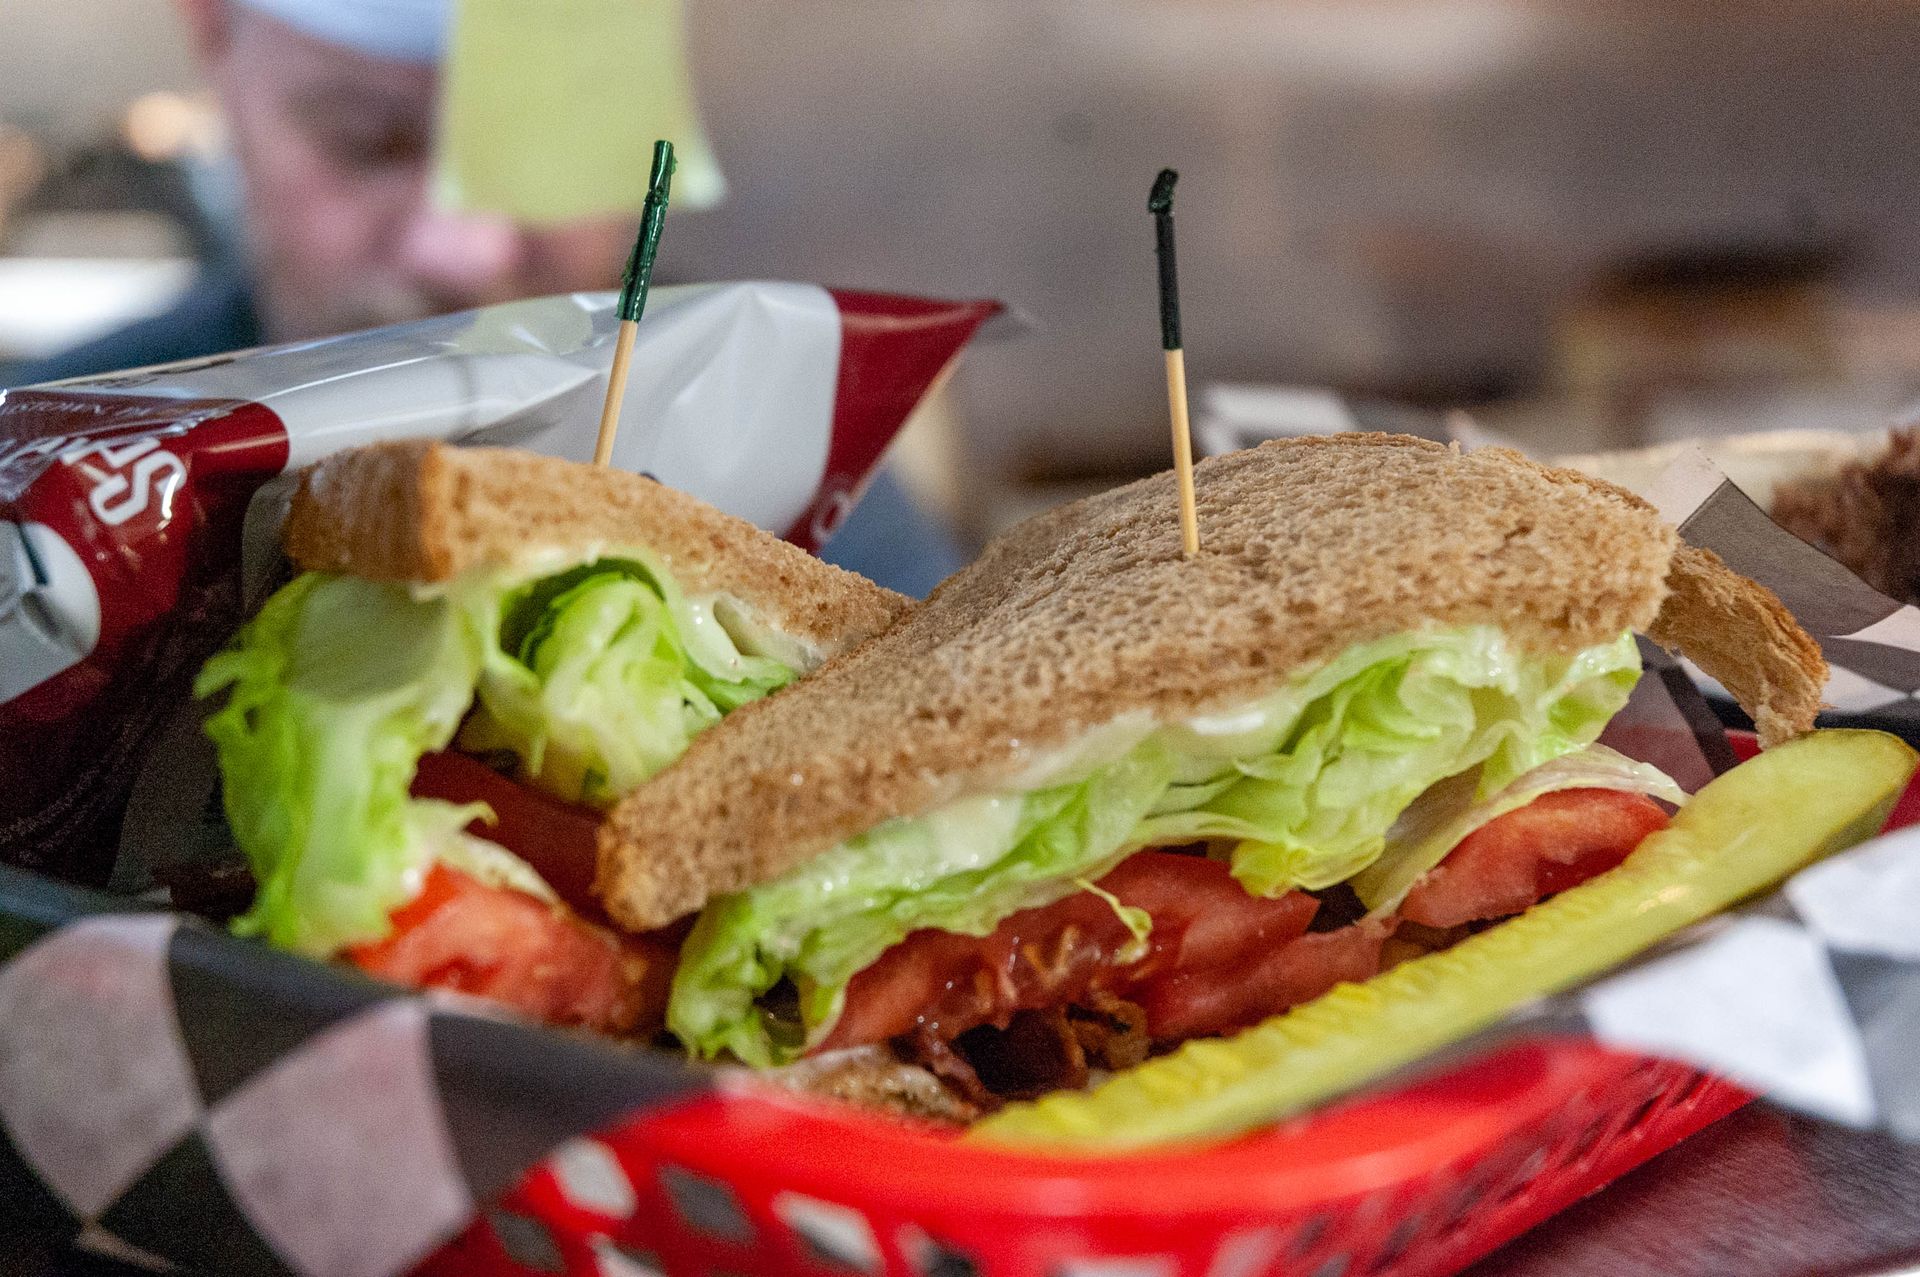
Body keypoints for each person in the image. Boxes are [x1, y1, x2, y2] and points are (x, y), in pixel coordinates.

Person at [6, 0, 961, 595]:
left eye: (546, 149)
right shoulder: (42, 473)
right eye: (369, 140)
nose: (465, 250)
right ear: (211, 32)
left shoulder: (799, 476)